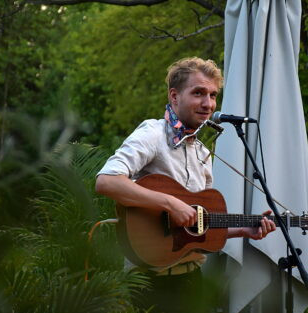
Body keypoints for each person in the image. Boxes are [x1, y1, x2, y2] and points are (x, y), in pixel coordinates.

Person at [95, 57, 276, 313]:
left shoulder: (201, 152)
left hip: (192, 279)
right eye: (199, 93)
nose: (208, 104)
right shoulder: (153, 134)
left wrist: (243, 230)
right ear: (174, 96)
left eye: (213, 95)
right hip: (150, 283)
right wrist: (170, 203)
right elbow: (106, 181)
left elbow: (196, 228)